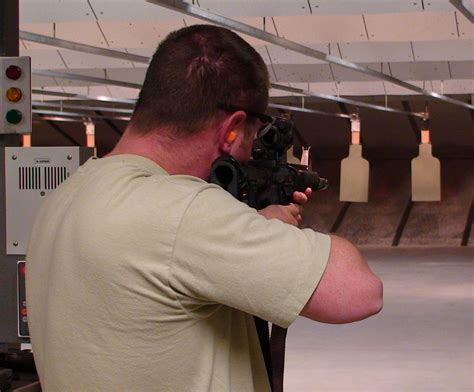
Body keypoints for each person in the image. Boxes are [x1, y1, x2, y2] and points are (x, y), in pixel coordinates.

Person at [26, 25, 383, 391]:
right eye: (249, 138)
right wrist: (268, 227)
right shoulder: (182, 211)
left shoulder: (65, 197)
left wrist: (251, 223)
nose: (247, 154)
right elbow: (360, 293)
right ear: (232, 129)